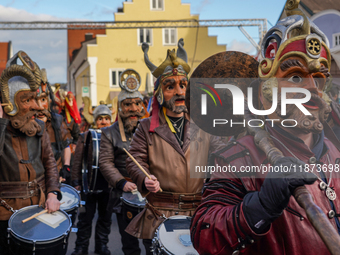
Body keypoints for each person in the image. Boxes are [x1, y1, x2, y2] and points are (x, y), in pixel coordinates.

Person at [191, 1, 340, 254]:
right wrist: (260, 206)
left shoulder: (334, 152)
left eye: (318, 78)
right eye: (295, 77)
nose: (312, 89)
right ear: (265, 93)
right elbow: (204, 234)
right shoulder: (236, 159)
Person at [125, 39, 226, 254]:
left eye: (183, 85)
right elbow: (134, 160)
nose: (179, 92)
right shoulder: (145, 127)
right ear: (159, 93)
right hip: (161, 212)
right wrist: (144, 178)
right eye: (170, 86)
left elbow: (222, 156)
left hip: (200, 211)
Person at [0, 51, 61, 255]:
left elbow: (50, 163)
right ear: (9, 102)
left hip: (39, 205)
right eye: (27, 100)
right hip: (4, 211)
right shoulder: (2, 129)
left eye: (35, 99)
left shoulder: (39, 128)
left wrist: (52, 193)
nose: (36, 106)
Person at [99, 69, 147, 255]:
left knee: (153, 243)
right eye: (128, 104)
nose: (133, 109)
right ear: (120, 107)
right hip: (123, 195)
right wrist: (122, 183)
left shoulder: (153, 129)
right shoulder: (109, 132)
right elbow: (105, 162)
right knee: (130, 245)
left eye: (137, 103)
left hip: (151, 193)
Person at [70, 103, 114, 255]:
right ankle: (81, 247)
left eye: (106, 118)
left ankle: (101, 246)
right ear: (95, 121)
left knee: (105, 218)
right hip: (87, 186)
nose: (103, 121)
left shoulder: (114, 136)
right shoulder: (85, 136)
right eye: (100, 118)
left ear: (111, 120)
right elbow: (77, 161)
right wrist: (76, 182)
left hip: (107, 186)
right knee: (84, 219)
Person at [36, 68, 72, 179]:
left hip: (56, 176)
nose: (40, 107)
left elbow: (66, 145)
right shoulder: (26, 125)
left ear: (49, 100)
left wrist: (66, 166)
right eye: (34, 100)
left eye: (43, 100)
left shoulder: (57, 121)